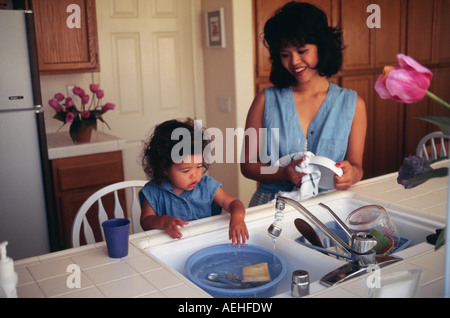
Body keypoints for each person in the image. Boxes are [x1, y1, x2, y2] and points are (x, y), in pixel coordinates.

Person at [241, 2, 367, 207]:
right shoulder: (264, 100)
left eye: (302, 50)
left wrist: (351, 175)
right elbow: (248, 166)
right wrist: (283, 173)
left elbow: (357, 167)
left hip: (328, 208)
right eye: (285, 54)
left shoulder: (353, 104)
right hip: (271, 207)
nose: (294, 62)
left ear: (322, 46)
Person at [139, 118, 249, 245]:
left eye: (198, 166)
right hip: (172, 246)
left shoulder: (206, 185)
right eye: (186, 170)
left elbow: (233, 203)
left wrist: (238, 217)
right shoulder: (153, 191)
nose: (195, 175)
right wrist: (163, 222)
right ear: (164, 169)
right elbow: (146, 221)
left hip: (206, 243)